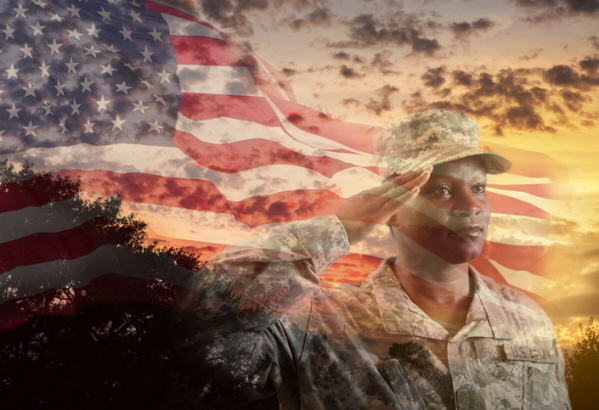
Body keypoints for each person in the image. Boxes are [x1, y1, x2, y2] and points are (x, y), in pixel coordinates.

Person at [186, 109, 571, 409]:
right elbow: (210, 320)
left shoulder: (526, 317)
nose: (472, 207)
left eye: (480, 188)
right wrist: (342, 227)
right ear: (392, 205)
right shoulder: (322, 322)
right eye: (440, 190)